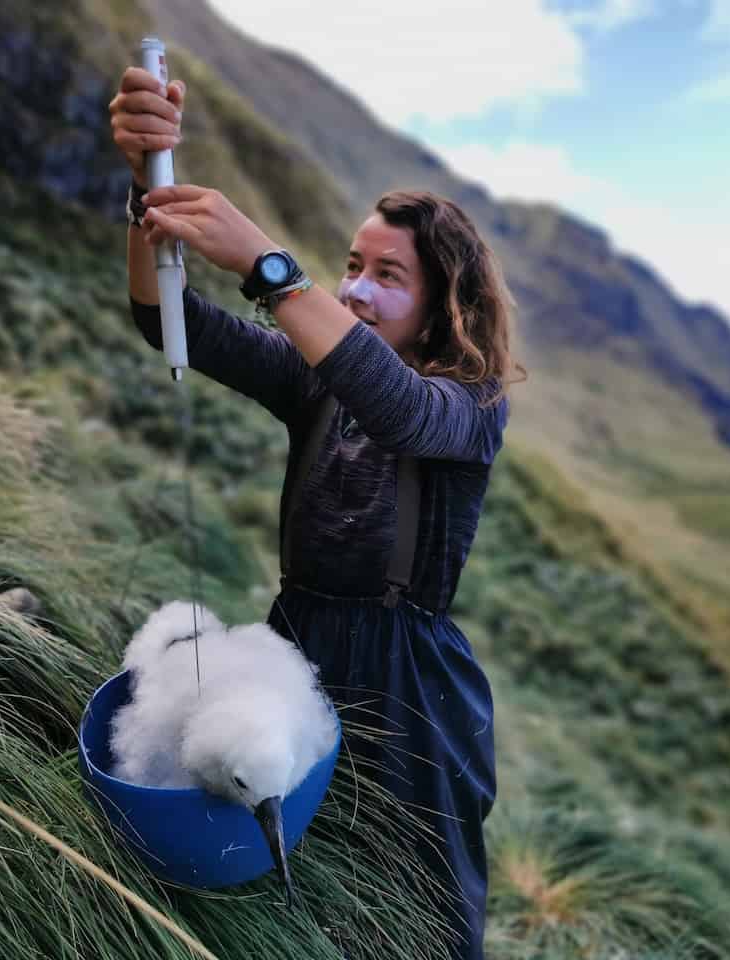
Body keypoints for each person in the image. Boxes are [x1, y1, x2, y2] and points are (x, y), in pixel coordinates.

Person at [110, 68, 523, 959]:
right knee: (300, 876)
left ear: (444, 305)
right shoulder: (316, 377)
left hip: (408, 682)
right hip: (296, 646)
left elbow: (401, 411)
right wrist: (149, 187)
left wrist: (267, 266)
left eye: (389, 276)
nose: (358, 290)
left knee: (425, 907)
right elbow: (164, 317)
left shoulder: (472, 402)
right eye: (351, 267)